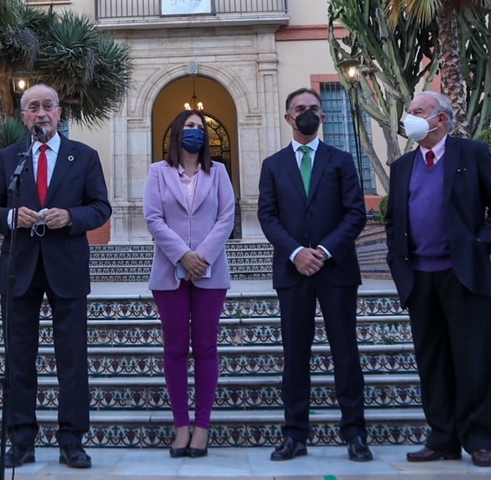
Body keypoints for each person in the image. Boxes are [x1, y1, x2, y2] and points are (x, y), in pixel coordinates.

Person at [0, 84, 112, 470]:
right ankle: (21, 440)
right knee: (19, 359)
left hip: (66, 266)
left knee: (72, 359)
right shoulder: (9, 159)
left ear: (59, 113)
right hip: (19, 267)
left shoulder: (84, 157)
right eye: (33, 107)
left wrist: (71, 217)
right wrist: (10, 218)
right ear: (24, 117)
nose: (41, 113)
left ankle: (72, 440)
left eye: (48, 106)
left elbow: (100, 207)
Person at [385, 90, 491, 469]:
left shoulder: (472, 154)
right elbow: (393, 219)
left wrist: (482, 245)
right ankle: (441, 438)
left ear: (440, 119)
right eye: (410, 112)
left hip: (462, 274)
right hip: (419, 278)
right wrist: (397, 261)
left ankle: (478, 440)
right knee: (432, 361)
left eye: (418, 111)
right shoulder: (403, 166)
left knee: (472, 360)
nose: (410, 118)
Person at [257, 87, 372, 463]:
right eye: (300, 109)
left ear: (322, 116)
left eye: (314, 109)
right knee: (295, 355)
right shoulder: (273, 165)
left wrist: (322, 251)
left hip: (335, 270)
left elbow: (355, 213)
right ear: (289, 118)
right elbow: (268, 217)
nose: (308, 113)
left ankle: (355, 433)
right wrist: (295, 253)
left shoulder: (341, 160)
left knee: (345, 352)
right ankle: (295, 434)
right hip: (293, 272)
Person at [143, 109, 235, 459]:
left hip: (211, 273)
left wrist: (203, 257)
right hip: (169, 272)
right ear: (177, 132)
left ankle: (202, 427)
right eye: (189, 126)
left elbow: (227, 215)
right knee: (176, 349)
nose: (195, 131)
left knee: (207, 348)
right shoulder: (158, 172)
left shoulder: (220, 172)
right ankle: (181, 425)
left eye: (201, 127)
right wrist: (183, 255)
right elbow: (152, 218)